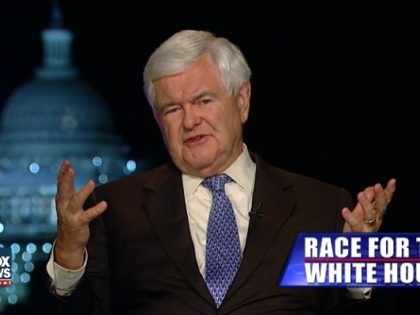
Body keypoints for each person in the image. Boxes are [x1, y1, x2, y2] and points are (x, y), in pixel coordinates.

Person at [46, 30, 397, 314]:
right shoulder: (114, 208)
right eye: (172, 109)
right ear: (157, 120)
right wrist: (68, 254)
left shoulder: (321, 205)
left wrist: (362, 261)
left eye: (203, 100)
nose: (190, 120)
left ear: (242, 100)